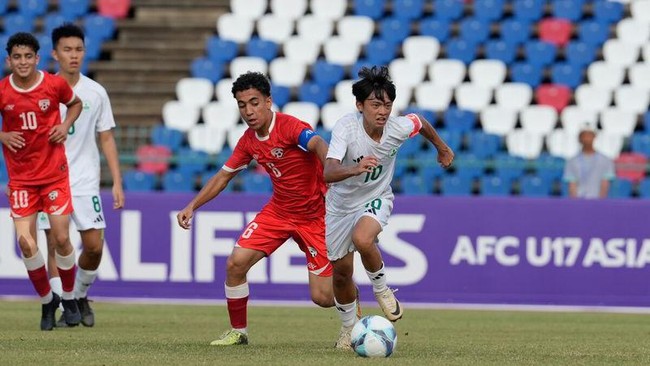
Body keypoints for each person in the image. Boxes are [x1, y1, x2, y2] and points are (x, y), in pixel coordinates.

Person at [176, 71, 334, 346]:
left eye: (254, 102)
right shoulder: (249, 140)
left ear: (268, 101)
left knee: (322, 298)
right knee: (235, 263)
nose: (248, 111)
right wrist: (193, 205)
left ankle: (350, 312)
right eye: (242, 105)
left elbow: (318, 142)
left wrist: (330, 167)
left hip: (316, 216)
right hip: (279, 212)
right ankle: (239, 331)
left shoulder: (290, 126)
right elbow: (223, 176)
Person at [323, 66, 455, 349]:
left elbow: (420, 122)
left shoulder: (397, 128)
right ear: (360, 106)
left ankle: (382, 290)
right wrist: (356, 168)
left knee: (363, 239)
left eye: (387, 104)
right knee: (342, 273)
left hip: (377, 195)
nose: (382, 111)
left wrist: (441, 148)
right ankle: (348, 329)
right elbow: (328, 172)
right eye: (375, 104)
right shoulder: (346, 128)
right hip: (340, 206)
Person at [37, 23, 125, 328]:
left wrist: (116, 181)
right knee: (56, 244)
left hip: (86, 180)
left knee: (94, 247)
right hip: (50, 179)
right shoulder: (42, 90)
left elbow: (107, 138)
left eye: (78, 50)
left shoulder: (95, 92)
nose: (73, 56)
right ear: (54, 54)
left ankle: (80, 293)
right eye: (67, 50)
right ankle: (64, 305)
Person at [0, 32, 83, 330]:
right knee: (25, 242)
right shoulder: (2, 91)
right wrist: (2, 135)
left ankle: (70, 297)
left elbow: (76, 104)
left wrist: (64, 124)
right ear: (9, 60)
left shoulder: (53, 84)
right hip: (21, 180)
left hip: (53, 175)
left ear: (37, 58)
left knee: (61, 238)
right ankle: (49, 299)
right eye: (17, 57)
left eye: (28, 57)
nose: (23, 62)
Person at [563, 124, 615, 198]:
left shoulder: (605, 160)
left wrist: (599, 204)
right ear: (579, 138)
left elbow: (605, 185)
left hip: (597, 202)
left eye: (589, 135)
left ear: (594, 137)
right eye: (584, 135)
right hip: (579, 202)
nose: (587, 138)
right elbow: (572, 186)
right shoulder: (572, 161)